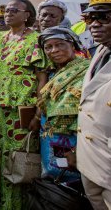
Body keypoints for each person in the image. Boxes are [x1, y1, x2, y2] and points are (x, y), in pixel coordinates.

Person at [0, 0, 48, 210]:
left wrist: (37, 114)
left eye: (15, 10)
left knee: (19, 161)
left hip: (23, 112)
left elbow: (42, 79)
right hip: (0, 110)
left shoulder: (36, 39)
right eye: (6, 10)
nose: (8, 13)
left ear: (27, 15)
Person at [77, 0, 111, 209]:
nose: (94, 25)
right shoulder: (101, 51)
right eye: (90, 19)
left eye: (103, 18)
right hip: (91, 162)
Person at [37, 27, 89, 184]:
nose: (54, 50)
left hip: (76, 139)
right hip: (51, 137)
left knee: (76, 181)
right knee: (54, 177)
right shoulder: (51, 73)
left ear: (72, 45)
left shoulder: (87, 70)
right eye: (48, 47)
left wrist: (76, 150)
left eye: (60, 45)